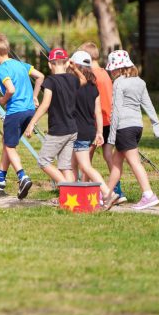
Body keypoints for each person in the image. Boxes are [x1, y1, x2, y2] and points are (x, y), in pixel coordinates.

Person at [103, 50, 159, 210]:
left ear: (118, 68)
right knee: (116, 163)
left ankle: (148, 194)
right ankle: (108, 195)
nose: (110, 71)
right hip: (137, 127)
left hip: (124, 128)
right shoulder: (139, 82)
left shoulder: (119, 83)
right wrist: (156, 126)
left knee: (134, 162)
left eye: (112, 69)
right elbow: (148, 105)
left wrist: (111, 137)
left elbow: (116, 111)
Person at [0, 33, 44, 199]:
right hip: (29, 111)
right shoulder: (21, 65)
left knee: (10, 146)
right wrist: (35, 96)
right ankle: (0, 178)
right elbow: (40, 76)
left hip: (15, 111)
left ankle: (22, 177)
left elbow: (10, 89)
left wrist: (3, 99)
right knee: (7, 140)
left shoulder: (1, 69)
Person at [24, 47, 79, 192]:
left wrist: (32, 123)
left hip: (58, 130)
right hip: (73, 129)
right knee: (65, 166)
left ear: (49, 64)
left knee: (43, 161)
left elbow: (45, 104)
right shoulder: (74, 80)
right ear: (67, 63)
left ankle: (69, 189)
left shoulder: (51, 81)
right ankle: (70, 198)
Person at [79, 41, 125, 204]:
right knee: (108, 156)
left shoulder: (91, 76)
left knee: (86, 158)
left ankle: (83, 190)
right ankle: (117, 189)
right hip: (109, 121)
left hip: (95, 122)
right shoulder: (105, 73)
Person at [67, 50, 114, 205]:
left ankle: (108, 193)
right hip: (91, 131)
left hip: (78, 132)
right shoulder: (94, 88)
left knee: (85, 167)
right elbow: (98, 112)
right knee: (72, 164)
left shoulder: (73, 86)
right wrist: (100, 132)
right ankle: (71, 195)